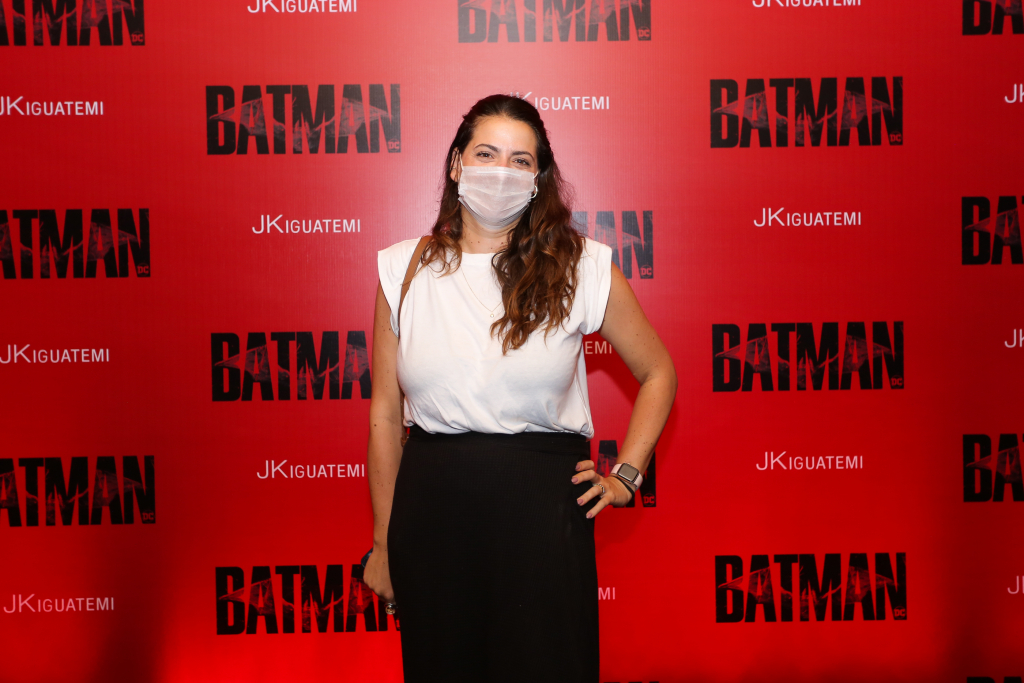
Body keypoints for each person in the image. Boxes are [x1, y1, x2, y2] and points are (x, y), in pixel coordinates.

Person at [363, 94, 676, 682]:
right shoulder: (402, 269)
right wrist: (383, 544)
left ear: (539, 180)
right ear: (456, 163)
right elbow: (385, 414)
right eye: (486, 154)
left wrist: (626, 477)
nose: (501, 172)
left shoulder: (582, 265)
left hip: (542, 510)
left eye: (520, 161)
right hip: (432, 512)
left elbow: (659, 373)